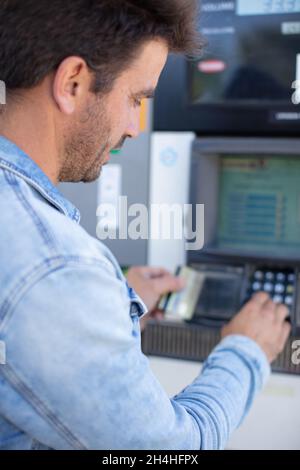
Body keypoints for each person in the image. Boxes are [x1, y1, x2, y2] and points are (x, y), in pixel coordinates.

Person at [0, 0, 290, 450]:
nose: (135, 128)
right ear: (73, 83)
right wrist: (245, 350)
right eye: (136, 98)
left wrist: (111, 302)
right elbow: (166, 452)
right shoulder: (57, 267)